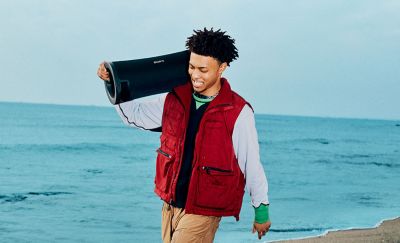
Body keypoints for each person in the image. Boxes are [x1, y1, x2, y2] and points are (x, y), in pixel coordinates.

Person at [97, 28, 271, 243]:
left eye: (203, 69)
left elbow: (251, 163)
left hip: (204, 209)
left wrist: (261, 210)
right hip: (170, 203)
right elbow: (135, 116)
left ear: (222, 68)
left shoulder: (238, 111)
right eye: (191, 67)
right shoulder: (175, 99)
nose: (195, 75)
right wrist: (112, 82)